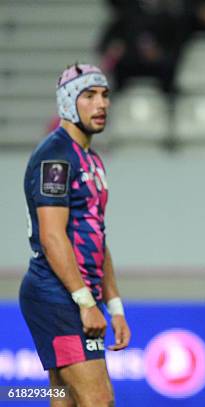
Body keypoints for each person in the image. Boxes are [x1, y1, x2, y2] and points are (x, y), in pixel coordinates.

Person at [20, 63, 130, 406]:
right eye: (89, 95)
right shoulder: (55, 158)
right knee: (99, 399)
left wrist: (114, 305)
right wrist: (85, 302)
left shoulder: (91, 159)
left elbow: (97, 236)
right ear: (68, 102)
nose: (102, 104)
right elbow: (53, 238)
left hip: (74, 296)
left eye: (105, 95)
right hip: (56, 297)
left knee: (65, 399)